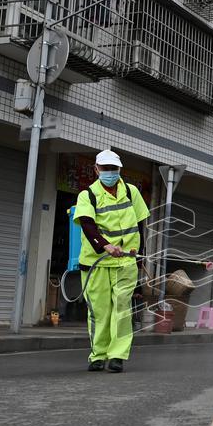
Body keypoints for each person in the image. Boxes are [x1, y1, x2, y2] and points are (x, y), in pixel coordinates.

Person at [73, 150, 150, 373]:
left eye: (113, 169)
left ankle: (117, 355)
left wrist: (139, 253)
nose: (110, 173)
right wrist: (105, 245)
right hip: (96, 263)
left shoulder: (131, 191)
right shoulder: (88, 195)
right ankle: (98, 355)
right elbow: (87, 224)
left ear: (119, 170)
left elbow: (140, 225)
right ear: (96, 169)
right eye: (105, 169)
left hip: (125, 262)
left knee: (122, 309)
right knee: (99, 312)